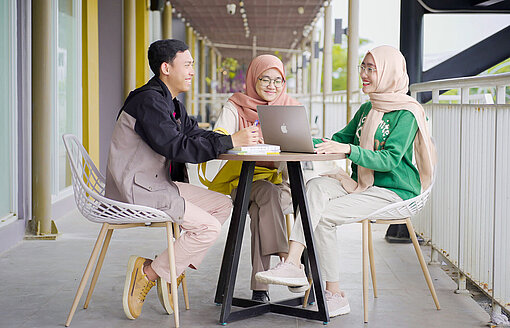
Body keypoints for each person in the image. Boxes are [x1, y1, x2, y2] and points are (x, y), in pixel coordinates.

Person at [255, 45, 436, 318]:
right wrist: (296, 139)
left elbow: (389, 160)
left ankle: (334, 293)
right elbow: (338, 140)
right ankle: (293, 262)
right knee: (314, 186)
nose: (363, 74)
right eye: (362, 67)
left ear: (389, 72)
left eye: (370, 69)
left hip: (395, 190)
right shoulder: (368, 108)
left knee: (323, 217)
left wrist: (352, 151)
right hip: (364, 182)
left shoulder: (407, 113)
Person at [105, 39, 259, 320]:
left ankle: (168, 271)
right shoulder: (148, 101)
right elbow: (177, 147)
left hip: (156, 182)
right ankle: (149, 273)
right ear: (166, 67)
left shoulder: (170, 102)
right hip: (137, 188)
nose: (191, 71)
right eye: (187, 65)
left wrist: (230, 140)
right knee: (209, 228)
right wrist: (230, 141)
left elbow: (193, 134)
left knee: (223, 205)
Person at [213, 54, 301, 302]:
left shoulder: (290, 108)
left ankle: (260, 290)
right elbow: (218, 137)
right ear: (253, 78)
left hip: (279, 184)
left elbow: (302, 146)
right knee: (265, 194)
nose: (272, 86)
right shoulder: (235, 106)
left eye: (278, 80)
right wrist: (238, 138)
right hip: (241, 182)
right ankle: (288, 260)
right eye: (265, 79)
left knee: (264, 207)